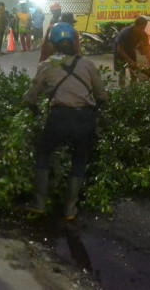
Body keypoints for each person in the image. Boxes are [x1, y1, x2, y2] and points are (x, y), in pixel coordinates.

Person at [23, 22, 108, 220]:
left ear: (53, 44)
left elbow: (30, 97)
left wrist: (35, 112)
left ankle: (39, 204)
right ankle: (70, 209)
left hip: (58, 118)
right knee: (79, 159)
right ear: (74, 42)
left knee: (43, 154)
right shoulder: (87, 64)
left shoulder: (47, 66)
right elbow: (102, 96)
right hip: (84, 118)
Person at [113, 16, 150, 88]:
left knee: (134, 72)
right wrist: (130, 61)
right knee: (122, 74)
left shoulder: (143, 34)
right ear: (135, 26)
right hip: (119, 51)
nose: (143, 30)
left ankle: (132, 88)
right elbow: (120, 49)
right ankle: (121, 90)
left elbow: (147, 48)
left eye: (144, 27)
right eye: (141, 28)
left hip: (130, 50)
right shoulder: (125, 33)